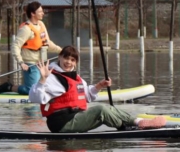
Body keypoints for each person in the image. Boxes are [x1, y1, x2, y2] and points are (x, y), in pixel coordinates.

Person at [29, 46, 167, 133]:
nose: (68, 62)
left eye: (72, 60)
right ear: (59, 57)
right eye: (66, 58)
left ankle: (137, 122)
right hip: (61, 123)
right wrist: (42, 79)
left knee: (109, 108)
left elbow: (87, 96)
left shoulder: (75, 78)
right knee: (100, 110)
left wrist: (100, 85)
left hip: (75, 117)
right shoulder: (52, 77)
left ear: (76, 62)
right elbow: (35, 98)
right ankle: (130, 126)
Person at [0, 1, 62, 94]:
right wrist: (21, 62)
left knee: (45, 86)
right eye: (40, 11)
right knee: (31, 90)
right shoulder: (26, 29)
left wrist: (62, 51)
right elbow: (15, 46)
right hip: (30, 64)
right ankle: (9, 87)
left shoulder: (41, 24)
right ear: (33, 13)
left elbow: (47, 43)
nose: (43, 13)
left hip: (42, 63)